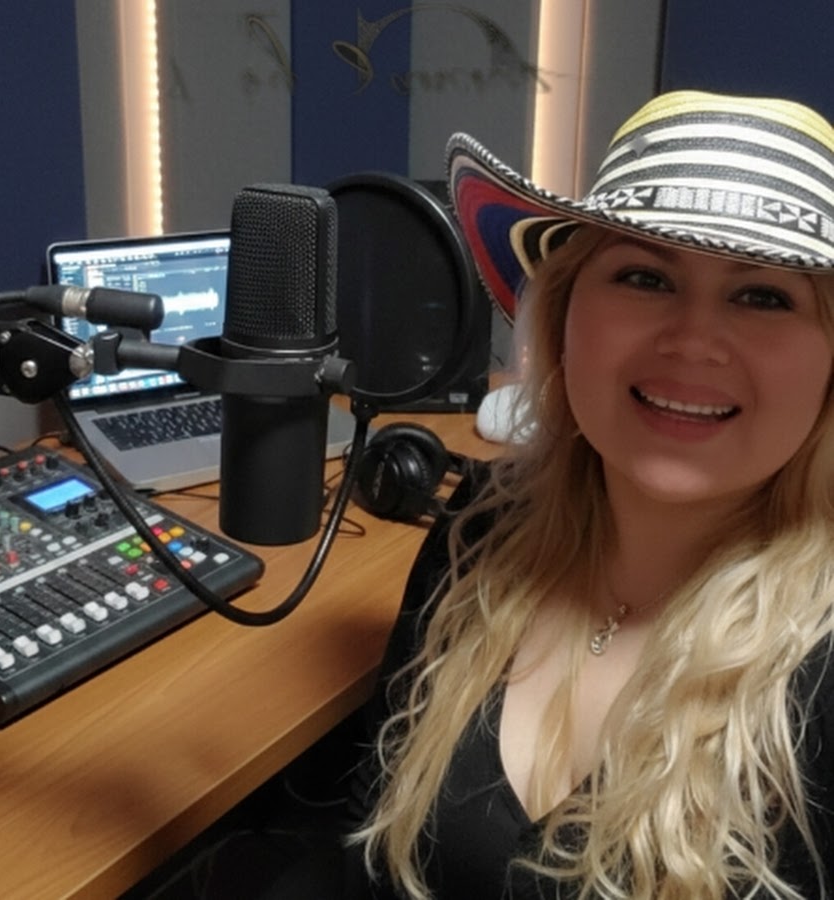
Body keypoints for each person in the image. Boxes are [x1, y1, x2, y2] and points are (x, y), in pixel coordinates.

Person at [339, 90, 834, 900]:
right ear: (564, 322)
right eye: (644, 276)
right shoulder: (480, 533)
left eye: (764, 296)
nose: (694, 342)